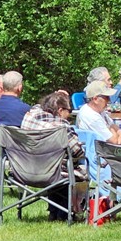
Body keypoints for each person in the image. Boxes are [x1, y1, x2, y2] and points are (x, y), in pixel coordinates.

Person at [21, 91, 88, 220]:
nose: (69, 115)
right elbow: (78, 153)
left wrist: (53, 97)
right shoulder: (62, 128)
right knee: (68, 166)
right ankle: (64, 213)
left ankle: (54, 212)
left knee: (56, 163)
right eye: (69, 111)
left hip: (25, 169)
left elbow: (37, 106)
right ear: (60, 110)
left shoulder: (29, 117)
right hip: (54, 172)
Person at [75, 80, 121, 145]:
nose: (109, 100)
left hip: (107, 146)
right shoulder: (91, 116)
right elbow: (115, 141)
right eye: (106, 97)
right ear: (95, 99)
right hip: (101, 152)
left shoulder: (98, 109)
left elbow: (113, 125)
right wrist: (113, 130)